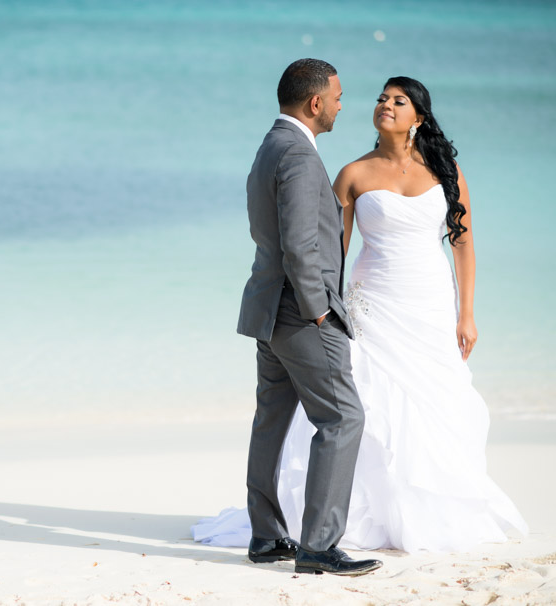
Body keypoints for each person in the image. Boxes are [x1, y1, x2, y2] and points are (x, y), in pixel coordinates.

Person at [193, 76, 528, 553]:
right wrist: (325, 309)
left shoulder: (447, 171)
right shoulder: (352, 173)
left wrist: (467, 313)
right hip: (374, 301)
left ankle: (425, 508)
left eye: (399, 100)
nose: (385, 105)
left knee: (434, 401)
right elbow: (331, 249)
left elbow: (464, 243)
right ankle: (338, 524)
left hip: (431, 303)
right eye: (381, 98)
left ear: (420, 117)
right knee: (362, 408)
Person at [232, 58, 382, 576]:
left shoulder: (270, 144)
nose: (343, 105)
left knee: (270, 422)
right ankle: (319, 547)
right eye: (338, 97)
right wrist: (320, 312)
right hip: (300, 314)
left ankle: (268, 537)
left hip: (268, 309)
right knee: (343, 418)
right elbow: (299, 244)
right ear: (315, 103)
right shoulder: (298, 154)